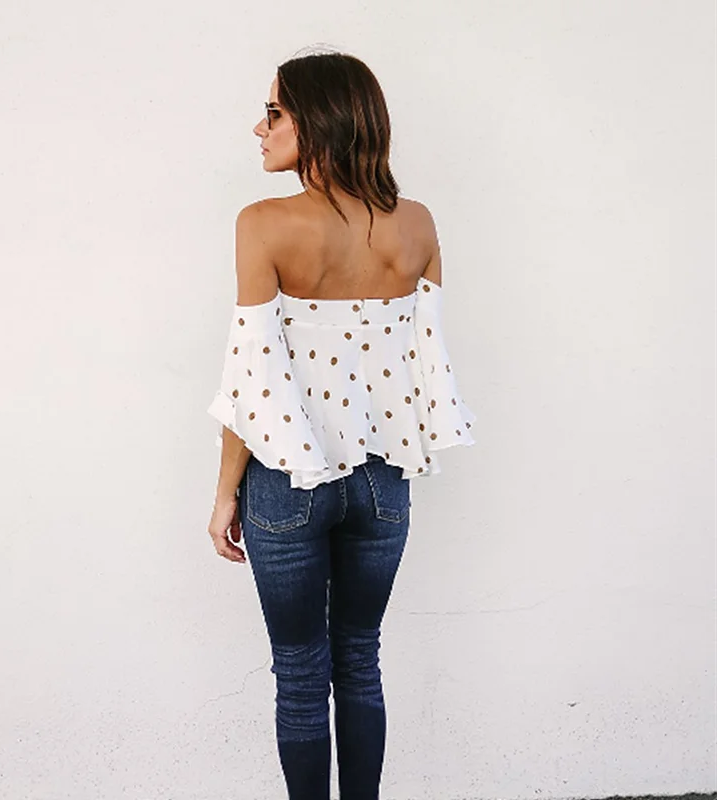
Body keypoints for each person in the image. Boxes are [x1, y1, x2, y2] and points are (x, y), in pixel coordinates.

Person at [205, 50, 476, 800]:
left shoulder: (264, 224)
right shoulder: (416, 223)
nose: (259, 128)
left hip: (287, 484)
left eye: (274, 112)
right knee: (360, 659)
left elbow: (251, 373)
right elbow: (425, 358)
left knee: (300, 674)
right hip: (384, 482)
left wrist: (226, 493)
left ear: (319, 120)